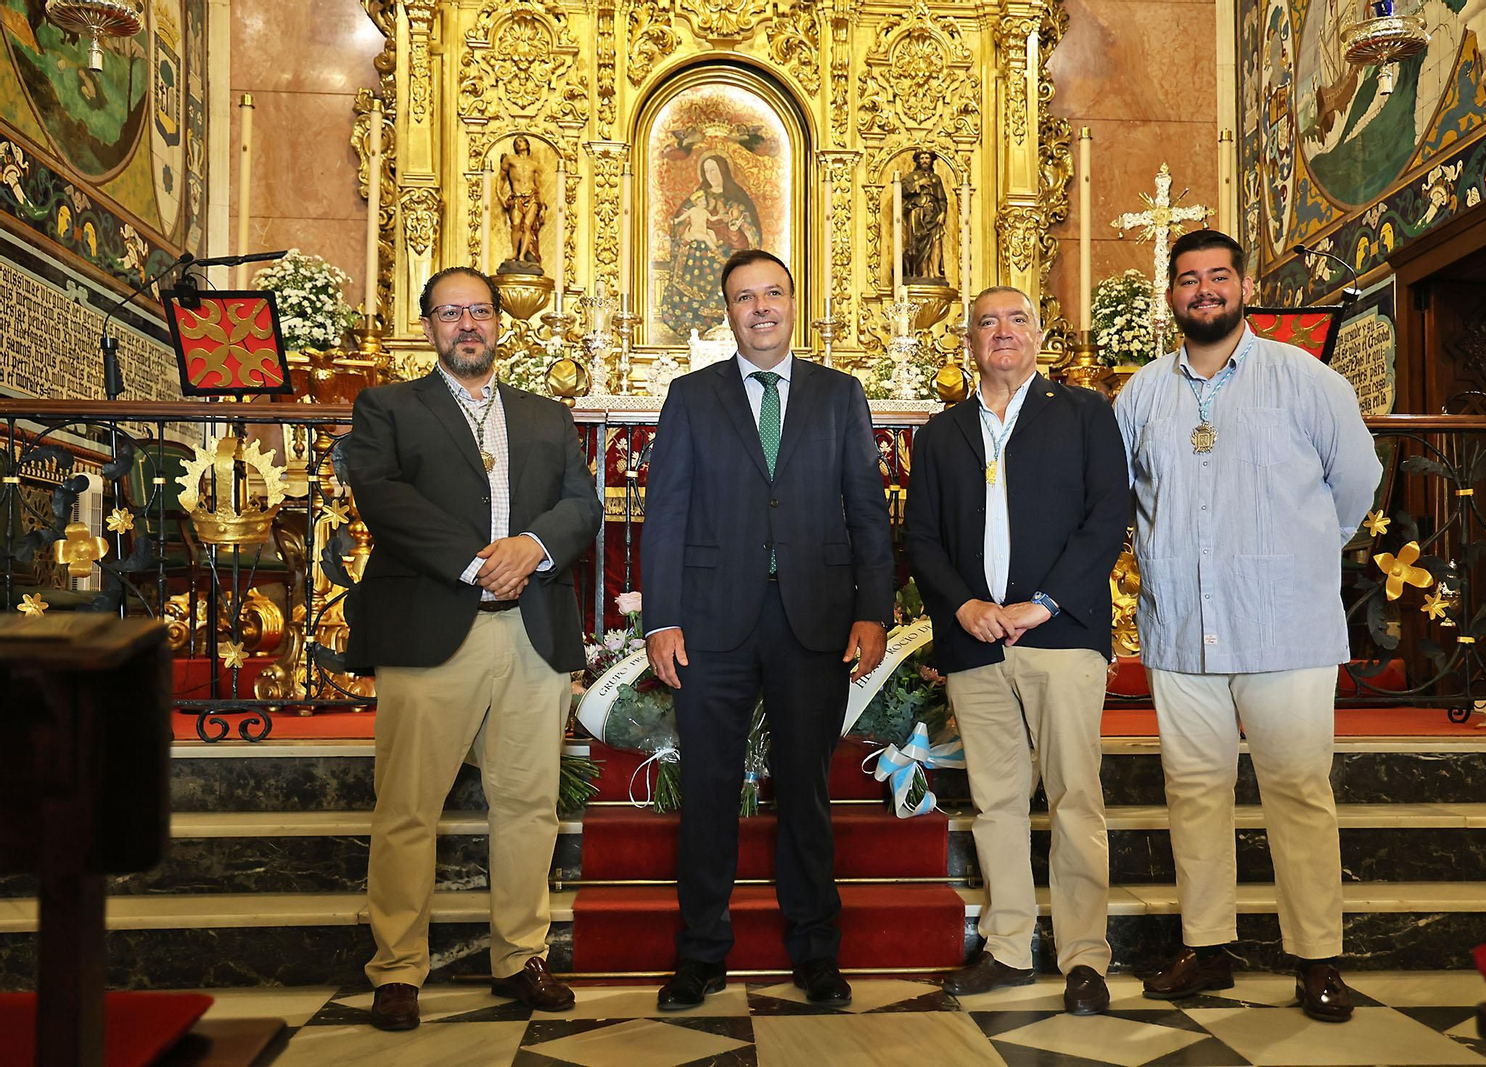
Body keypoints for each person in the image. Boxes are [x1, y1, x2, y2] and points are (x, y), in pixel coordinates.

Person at [1114, 230, 1381, 1023]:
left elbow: (1357, 479)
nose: (1204, 291)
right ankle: (1206, 947)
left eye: (1218, 277)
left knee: (1298, 791)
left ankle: (1317, 959)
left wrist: (1294, 555)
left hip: (1283, 625)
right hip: (1181, 623)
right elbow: (1122, 493)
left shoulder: (1305, 379)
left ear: (1245, 284)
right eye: (1189, 280)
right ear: (1171, 296)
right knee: (1193, 789)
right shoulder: (1141, 394)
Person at [344, 266, 603, 1031]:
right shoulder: (388, 407)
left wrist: (531, 545)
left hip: (533, 629)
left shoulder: (547, 415)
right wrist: (478, 562)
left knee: (528, 805)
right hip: (433, 625)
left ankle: (521, 956)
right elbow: (384, 498)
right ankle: (396, 968)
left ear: (499, 323)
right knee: (407, 808)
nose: (468, 324)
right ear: (427, 325)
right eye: (451, 312)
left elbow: (581, 504)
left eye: (480, 311)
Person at [642, 248, 894, 1010]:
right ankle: (700, 954)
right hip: (713, 623)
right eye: (744, 297)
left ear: (793, 301)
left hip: (814, 620)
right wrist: (662, 619)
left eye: (773, 293)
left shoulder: (839, 393)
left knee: (807, 792)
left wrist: (872, 610)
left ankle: (817, 951)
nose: (760, 308)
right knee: (710, 791)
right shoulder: (691, 396)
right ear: (726, 311)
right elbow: (667, 516)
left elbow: (868, 511)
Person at [905, 286, 1128, 1014]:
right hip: (975, 641)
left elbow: (1107, 516)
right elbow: (923, 539)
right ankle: (1006, 948)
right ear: (969, 342)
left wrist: (1047, 601)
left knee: (1074, 794)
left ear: (1041, 334)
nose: (1002, 332)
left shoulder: (1087, 414)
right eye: (987, 322)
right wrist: (964, 605)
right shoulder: (940, 434)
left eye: (1017, 319)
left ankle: (1085, 956)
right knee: (996, 798)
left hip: (1060, 633)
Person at [660, 153, 764, 340]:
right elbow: (680, 226)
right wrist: (686, 233)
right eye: (706, 171)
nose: (710, 175)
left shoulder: (735, 202)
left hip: (726, 256)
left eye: (714, 170)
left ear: (723, 171)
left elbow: (748, 240)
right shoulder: (697, 200)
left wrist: (733, 231)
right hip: (696, 254)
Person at [497, 136, 546, 269]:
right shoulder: (510, 160)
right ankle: (514, 251)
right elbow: (501, 178)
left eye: (521, 141)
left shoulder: (534, 165)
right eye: (516, 142)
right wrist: (500, 195)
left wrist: (543, 208)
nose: (518, 143)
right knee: (516, 223)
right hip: (517, 196)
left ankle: (522, 256)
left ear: (527, 144)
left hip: (532, 197)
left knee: (527, 225)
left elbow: (539, 186)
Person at [900, 150, 948, 281]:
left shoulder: (936, 179)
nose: (925, 160)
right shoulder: (912, 177)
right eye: (922, 158)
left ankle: (936, 271)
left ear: (931, 160)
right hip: (918, 212)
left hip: (934, 212)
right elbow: (901, 190)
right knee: (920, 242)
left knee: (936, 241)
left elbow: (942, 198)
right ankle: (924, 271)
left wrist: (943, 212)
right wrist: (917, 184)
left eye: (927, 158)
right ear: (918, 161)